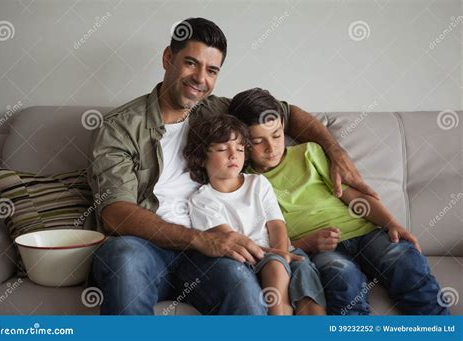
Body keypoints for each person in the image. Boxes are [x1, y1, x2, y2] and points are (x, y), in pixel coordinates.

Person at [88, 17, 378, 315]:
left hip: (208, 255)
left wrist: (335, 150)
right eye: (191, 63)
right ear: (168, 58)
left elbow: (288, 114)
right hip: (146, 246)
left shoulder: (214, 109)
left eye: (211, 70)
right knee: (122, 256)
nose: (200, 78)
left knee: (241, 282)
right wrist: (201, 239)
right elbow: (114, 212)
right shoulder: (120, 128)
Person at [228, 87, 449, 315]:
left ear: (283, 125)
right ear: (242, 141)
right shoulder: (247, 184)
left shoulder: (308, 153)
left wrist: (392, 223)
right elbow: (269, 240)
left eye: (276, 135)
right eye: (258, 141)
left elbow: (353, 195)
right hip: (323, 250)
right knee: (341, 277)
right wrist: (307, 243)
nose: (271, 147)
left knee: (404, 260)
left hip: (364, 233)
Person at [184, 115, 326, 315]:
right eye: (223, 149)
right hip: (248, 258)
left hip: (282, 248)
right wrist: (277, 257)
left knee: (304, 273)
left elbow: (276, 225)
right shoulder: (202, 200)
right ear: (201, 156)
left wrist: (282, 251)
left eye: (240, 148)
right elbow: (233, 242)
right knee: (275, 266)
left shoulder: (258, 183)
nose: (233, 155)